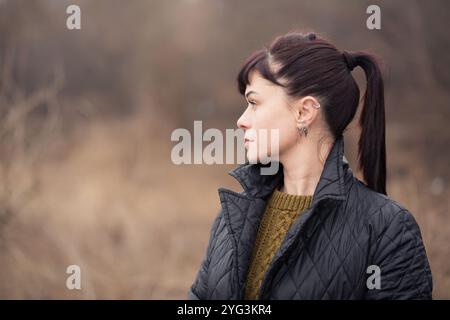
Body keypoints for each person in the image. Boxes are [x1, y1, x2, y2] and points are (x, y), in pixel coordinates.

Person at [188, 31, 433, 300]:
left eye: (254, 103)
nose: (241, 120)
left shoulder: (387, 229)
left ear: (304, 112)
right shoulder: (232, 217)